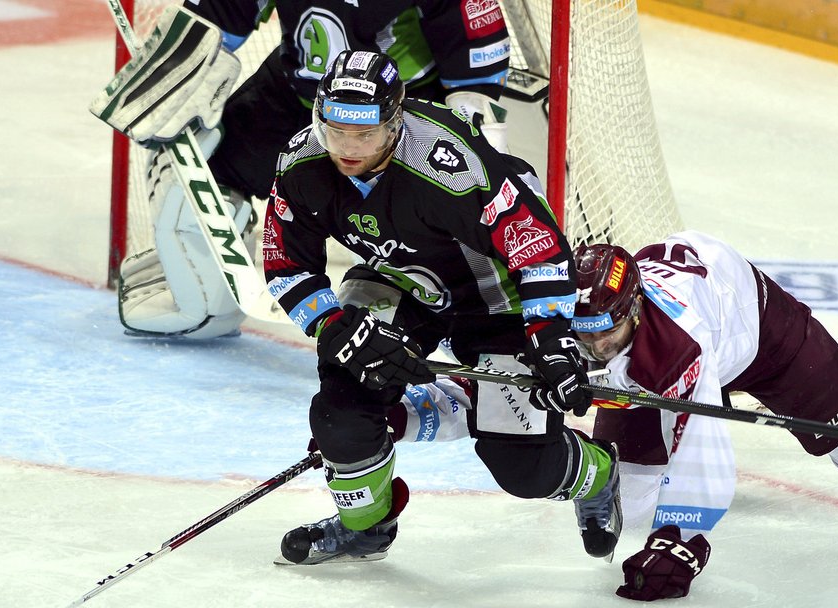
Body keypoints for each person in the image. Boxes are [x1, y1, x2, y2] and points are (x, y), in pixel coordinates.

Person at [262, 50, 622, 565]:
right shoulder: (301, 166)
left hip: (498, 299)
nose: (347, 148)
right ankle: (366, 526)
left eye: (365, 134)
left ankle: (599, 471)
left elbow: (537, 245)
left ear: (396, 121)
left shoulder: (445, 163)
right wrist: (334, 325)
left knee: (524, 469)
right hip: (403, 283)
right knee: (341, 413)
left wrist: (551, 335)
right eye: (335, 131)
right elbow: (287, 265)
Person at [570, 232, 838, 601]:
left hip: (762, 330)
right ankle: (713, 384)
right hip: (697, 330)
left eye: (608, 333)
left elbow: (704, 456)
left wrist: (679, 541)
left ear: (634, 308)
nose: (598, 347)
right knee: (631, 509)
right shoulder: (563, 313)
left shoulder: (679, 344)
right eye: (585, 337)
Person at [101, 0, 511, 338]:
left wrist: (475, 173)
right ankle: (209, 294)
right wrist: (182, 63)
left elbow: (476, 79)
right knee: (191, 162)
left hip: (394, 121)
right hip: (295, 99)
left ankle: (441, 300)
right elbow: (214, 21)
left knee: (427, 233)